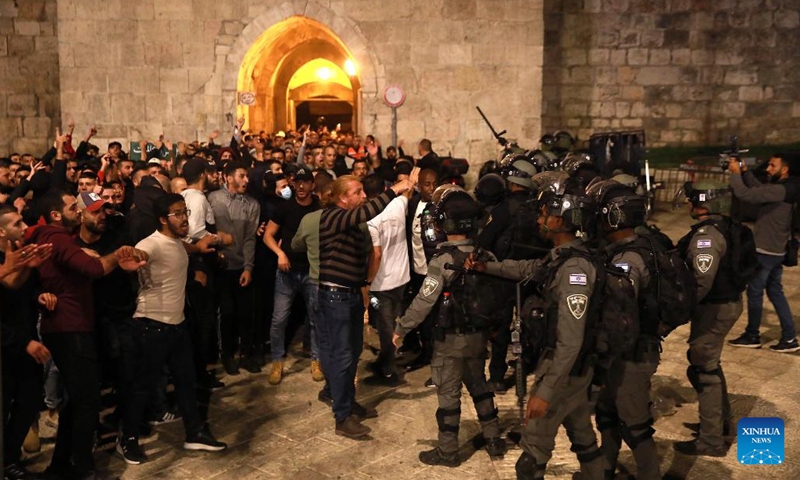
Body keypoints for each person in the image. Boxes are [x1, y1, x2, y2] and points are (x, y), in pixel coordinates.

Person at [466, 172, 604, 480]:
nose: (539, 218)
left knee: (530, 461)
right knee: (583, 437)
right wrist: (487, 266)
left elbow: (570, 340)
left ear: (560, 221)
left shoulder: (574, 272)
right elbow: (528, 268)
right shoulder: (562, 258)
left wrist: (545, 391)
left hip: (562, 370)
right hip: (574, 373)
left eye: (545, 214)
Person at [27, 189, 144, 479]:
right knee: (86, 401)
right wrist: (114, 256)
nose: (84, 213)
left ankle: (63, 466)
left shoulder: (70, 239)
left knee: (80, 399)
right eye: (75, 208)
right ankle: (82, 468)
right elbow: (92, 269)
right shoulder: (58, 238)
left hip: (94, 324)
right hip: (72, 327)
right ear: (59, 214)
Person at [392, 187, 507, 466]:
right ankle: (493, 439)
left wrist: (402, 328)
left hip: (450, 341)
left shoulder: (442, 261)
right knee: (479, 386)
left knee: (448, 397)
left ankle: (447, 452)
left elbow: (424, 300)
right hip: (479, 338)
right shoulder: (486, 256)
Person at [117, 194, 227, 465]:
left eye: (185, 212)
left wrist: (200, 248)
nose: (184, 218)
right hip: (151, 326)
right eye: (177, 214)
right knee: (142, 388)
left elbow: (181, 249)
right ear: (163, 219)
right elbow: (143, 253)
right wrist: (134, 257)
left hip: (176, 327)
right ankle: (127, 439)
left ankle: (194, 433)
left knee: (186, 382)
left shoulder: (177, 242)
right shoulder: (150, 243)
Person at [317, 174, 414, 439]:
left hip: (349, 295)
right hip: (335, 298)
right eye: (357, 192)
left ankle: (347, 402)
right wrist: (396, 189)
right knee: (342, 356)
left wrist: (363, 285)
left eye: (363, 191)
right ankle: (342, 416)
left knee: (353, 353)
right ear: (342, 198)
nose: (363, 196)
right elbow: (371, 210)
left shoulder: (348, 221)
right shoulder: (332, 216)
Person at [586, 180, 661, 479]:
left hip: (631, 353)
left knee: (635, 424)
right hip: (623, 352)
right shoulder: (633, 248)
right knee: (607, 413)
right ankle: (604, 469)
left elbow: (619, 312)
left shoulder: (628, 260)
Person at [674, 180, 742, 457]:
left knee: (704, 370)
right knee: (708, 367)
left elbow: (702, 280)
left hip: (715, 308)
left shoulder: (707, 237)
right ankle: (720, 424)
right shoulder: (725, 226)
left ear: (705, 203)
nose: (689, 204)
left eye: (693, 200)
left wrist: (679, 310)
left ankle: (711, 440)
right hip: (724, 304)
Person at [0, 205, 54, 480]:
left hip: (25, 343)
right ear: (1, 231)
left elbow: (22, 293)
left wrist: (39, 296)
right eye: (17, 223)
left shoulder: (20, 252)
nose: (25, 227)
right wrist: (23, 343)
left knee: (30, 401)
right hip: (8, 349)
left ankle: (9, 458)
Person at [727, 155, 800, 352]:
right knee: (775, 292)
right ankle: (789, 337)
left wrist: (735, 174)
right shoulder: (785, 187)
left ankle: (752, 335)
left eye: (772, 165)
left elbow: (747, 195)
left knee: (755, 292)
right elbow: (759, 189)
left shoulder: (779, 189)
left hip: (766, 250)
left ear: (784, 170)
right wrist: (744, 172)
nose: (768, 168)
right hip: (776, 249)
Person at [264, 167, 323, 384]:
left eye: (305, 182)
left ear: (312, 184)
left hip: (312, 271)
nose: (300, 186)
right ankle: (277, 360)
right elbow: (268, 236)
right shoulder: (284, 207)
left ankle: (316, 359)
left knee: (316, 317)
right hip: (287, 271)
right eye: (296, 182)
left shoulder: (319, 206)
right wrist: (280, 253)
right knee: (279, 318)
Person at [209, 161, 261, 373]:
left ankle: (246, 353)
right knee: (227, 313)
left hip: (241, 265)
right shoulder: (213, 199)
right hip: (220, 266)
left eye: (247, 176)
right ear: (228, 177)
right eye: (241, 175)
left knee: (245, 313)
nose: (246, 180)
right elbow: (204, 230)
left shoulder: (252, 205)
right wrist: (218, 241)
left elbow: (250, 238)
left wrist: (248, 267)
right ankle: (227, 354)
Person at [364, 174, 410, 382]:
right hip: (402, 276)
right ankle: (385, 360)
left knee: (385, 327)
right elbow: (408, 189)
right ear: (384, 187)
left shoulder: (371, 218)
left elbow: (377, 254)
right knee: (392, 321)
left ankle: (389, 370)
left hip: (382, 281)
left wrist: (368, 281)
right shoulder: (398, 205)